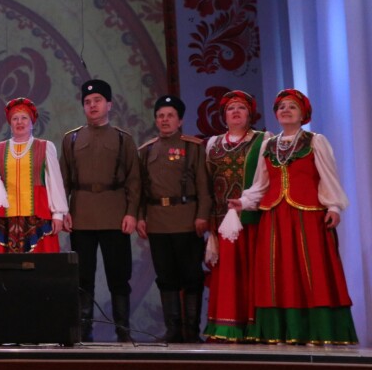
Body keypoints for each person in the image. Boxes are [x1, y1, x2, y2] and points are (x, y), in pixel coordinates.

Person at [229, 89, 357, 345]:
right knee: (278, 274)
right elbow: (261, 184)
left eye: (292, 107)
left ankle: (319, 331)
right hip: (275, 219)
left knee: (312, 271)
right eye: (281, 107)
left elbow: (328, 177)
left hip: (307, 217)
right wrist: (244, 201)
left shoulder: (315, 141)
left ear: (303, 114)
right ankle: (281, 331)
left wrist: (333, 207)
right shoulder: (269, 145)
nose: (285, 110)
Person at [59, 79, 140, 343]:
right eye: (87, 102)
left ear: (109, 104)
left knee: (119, 276)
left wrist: (131, 213)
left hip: (114, 214)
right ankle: (84, 331)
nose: (92, 105)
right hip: (81, 215)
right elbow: (63, 180)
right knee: (83, 277)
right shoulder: (71, 139)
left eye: (97, 101)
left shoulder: (123, 139)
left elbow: (134, 180)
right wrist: (62, 211)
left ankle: (123, 331)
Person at [137, 95, 212, 343]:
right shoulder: (147, 150)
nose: (164, 120)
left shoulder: (193, 147)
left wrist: (202, 215)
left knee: (191, 276)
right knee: (166, 277)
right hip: (158, 221)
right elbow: (140, 189)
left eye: (170, 115)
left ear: (179, 121)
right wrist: (140, 217)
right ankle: (173, 330)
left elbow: (203, 187)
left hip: (187, 219)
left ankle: (191, 330)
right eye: (160, 116)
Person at [202, 90, 266, 342]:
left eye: (241, 108)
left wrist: (248, 202)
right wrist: (209, 219)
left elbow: (265, 179)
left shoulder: (263, 140)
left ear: (250, 115)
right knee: (227, 274)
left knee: (251, 271)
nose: (236, 112)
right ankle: (227, 328)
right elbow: (206, 183)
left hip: (252, 219)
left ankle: (255, 329)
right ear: (224, 116)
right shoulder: (213, 144)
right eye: (231, 108)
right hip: (222, 220)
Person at [0, 97, 67, 255]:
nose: (19, 122)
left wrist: (58, 214)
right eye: (15, 118)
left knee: (39, 264)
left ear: (32, 122)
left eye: (24, 118)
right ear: (10, 123)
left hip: (38, 215)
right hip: (5, 219)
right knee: (8, 266)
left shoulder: (45, 147)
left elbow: (54, 182)